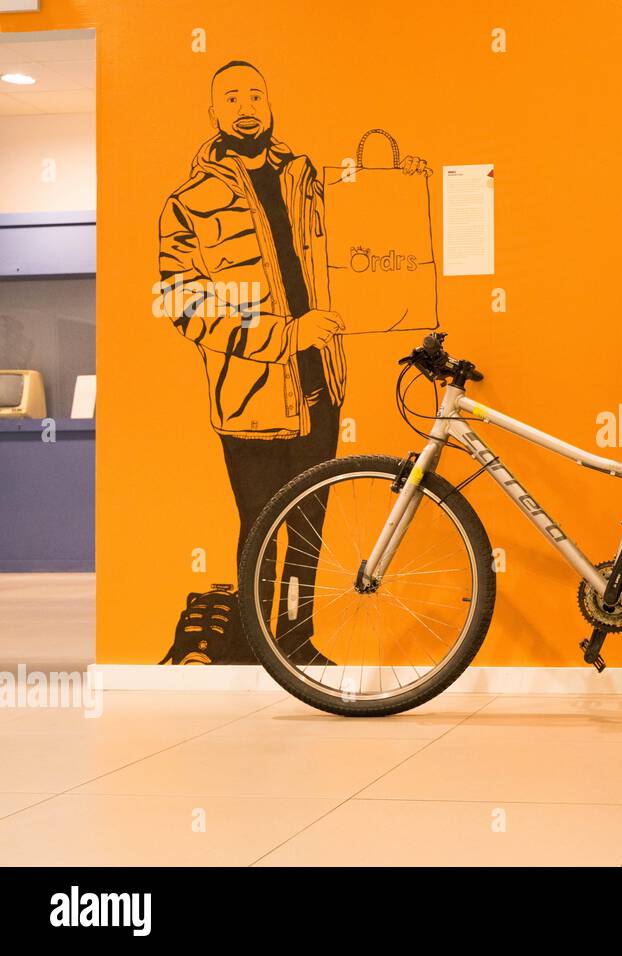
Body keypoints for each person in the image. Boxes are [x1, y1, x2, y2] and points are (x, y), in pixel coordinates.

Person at [157, 60, 428, 662]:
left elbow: (360, 237)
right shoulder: (188, 203)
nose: (245, 104)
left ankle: (297, 643)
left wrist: (395, 191)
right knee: (261, 526)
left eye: (256, 93)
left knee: (308, 526)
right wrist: (286, 334)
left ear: (271, 104)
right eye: (231, 96)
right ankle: (257, 649)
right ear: (214, 113)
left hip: (321, 384)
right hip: (249, 396)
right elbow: (184, 305)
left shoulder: (307, 178)